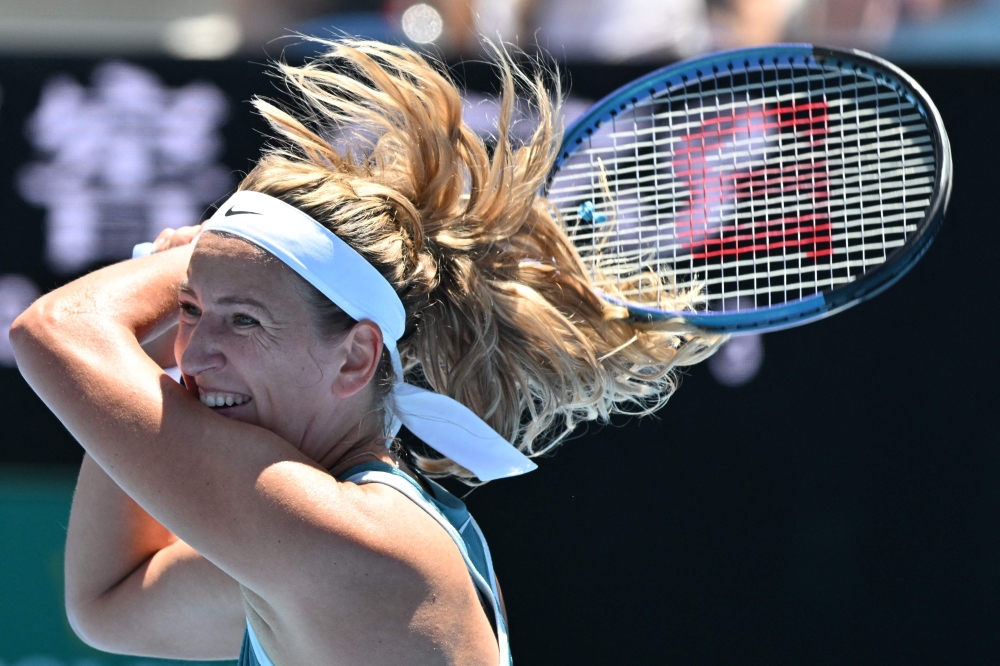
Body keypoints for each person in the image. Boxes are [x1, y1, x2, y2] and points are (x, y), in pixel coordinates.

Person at [11, 40, 719, 664]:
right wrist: (226, 265)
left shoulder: (346, 541)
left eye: (247, 321)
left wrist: (209, 250)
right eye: (192, 315)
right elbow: (109, 605)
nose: (194, 354)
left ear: (355, 358)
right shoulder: (332, 538)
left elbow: (56, 330)